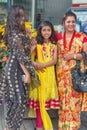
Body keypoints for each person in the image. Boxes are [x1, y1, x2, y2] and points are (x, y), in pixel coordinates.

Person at [0, 5, 39, 130]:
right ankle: (10, 127)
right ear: (13, 17)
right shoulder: (14, 34)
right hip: (14, 69)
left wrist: (30, 43)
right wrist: (27, 73)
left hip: (18, 67)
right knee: (18, 100)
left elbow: (25, 52)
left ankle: (10, 127)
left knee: (18, 100)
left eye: (23, 15)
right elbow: (20, 55)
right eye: (19, 16)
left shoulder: (19, 32)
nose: (22, 18)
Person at [56, 11, 87, 130]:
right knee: (63, 103)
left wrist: (73, 55)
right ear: (63, 23)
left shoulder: (82, 37)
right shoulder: (58, 36)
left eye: (73, 22)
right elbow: (44, 40)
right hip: (61, 76)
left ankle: (74, 127)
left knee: (74, 103)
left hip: (76, 75)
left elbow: (85, 54)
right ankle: (62, 127)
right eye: (68, 22)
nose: (71, 24)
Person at [27, 21, 60, 130]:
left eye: (48, 30)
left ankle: (40, 125)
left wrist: (42, 65)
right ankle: (39, 126)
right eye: (44, 30)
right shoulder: (36, 43)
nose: (46, 32)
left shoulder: (54, 45)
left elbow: (54, 60)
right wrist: (35, 63)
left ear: (52, 31)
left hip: (49, 77)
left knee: (45, 104)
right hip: (39, 76)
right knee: (39, 103)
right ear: (40, 31)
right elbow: (28, 58)